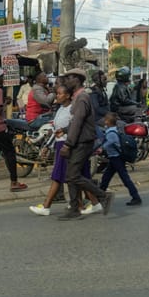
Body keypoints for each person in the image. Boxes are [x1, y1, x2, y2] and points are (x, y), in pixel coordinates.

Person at [30, 85, 98, 216]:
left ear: (67, 95)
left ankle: (46, 205)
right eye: (57, 94)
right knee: (79, 178)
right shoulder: (60, 109)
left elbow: (74, 128)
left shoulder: (73, 110)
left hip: (69, 146)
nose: (57, 96)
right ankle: (93, 203)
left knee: (58, 177)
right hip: (60, 144)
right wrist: (48, 146)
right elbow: (56, 130)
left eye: (60, 94)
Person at [58, 68, 114, 221]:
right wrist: (64, 130)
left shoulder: (82, 98)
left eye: (68, 78)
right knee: (71, 176)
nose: (66, 81)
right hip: (79, 139)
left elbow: (78, 122)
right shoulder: (79, 97)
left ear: (76, 79)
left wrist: (68, 144)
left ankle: (103, 196)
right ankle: (75, 207)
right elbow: (75, 122)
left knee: (73, 175)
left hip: (82, 141)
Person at [98, 112, 142, 206]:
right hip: (114, 158)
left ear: (108, 122)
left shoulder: (111, 133)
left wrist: (101, 149)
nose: (104, 121)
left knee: (125, 179)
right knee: (106, 178)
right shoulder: (114, 130)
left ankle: (136, 197)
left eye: (105, 120)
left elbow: (110, 143)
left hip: (116, 158)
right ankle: (100, 196)